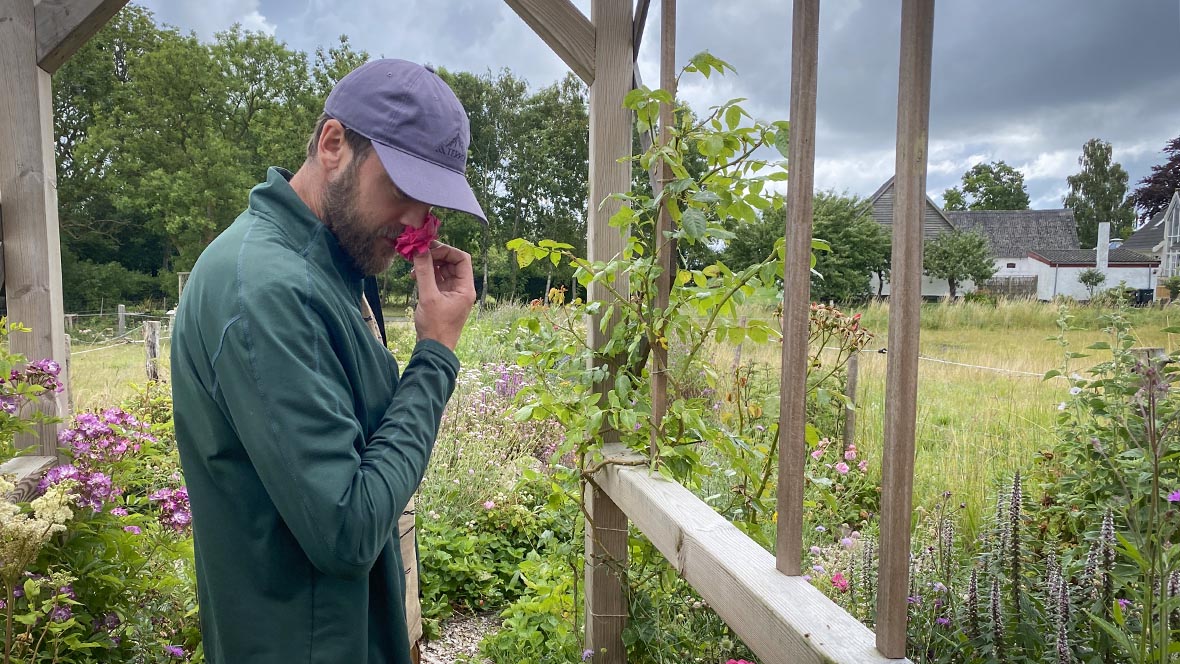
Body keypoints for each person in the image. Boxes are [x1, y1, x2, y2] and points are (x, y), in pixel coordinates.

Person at [170, 59, 485, 663]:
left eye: (433, 203)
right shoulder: (266, 292)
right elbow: (348, 529)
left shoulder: (328, 270)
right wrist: (436, 355)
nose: (418, 224)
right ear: (334, 143)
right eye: (404, 191)